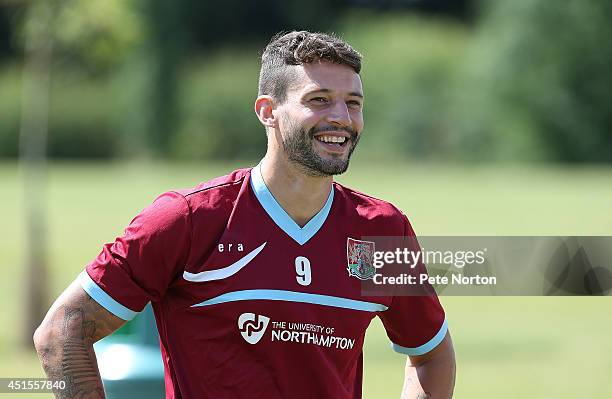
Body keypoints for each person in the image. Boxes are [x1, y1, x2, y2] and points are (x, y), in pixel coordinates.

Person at [33, 31, 456, 398]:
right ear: (267, 112)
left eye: (353, 103)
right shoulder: (188, 219)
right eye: (319, 100)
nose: (341, 118)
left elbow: (431, 354)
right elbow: (62, 330)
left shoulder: (381, 230)